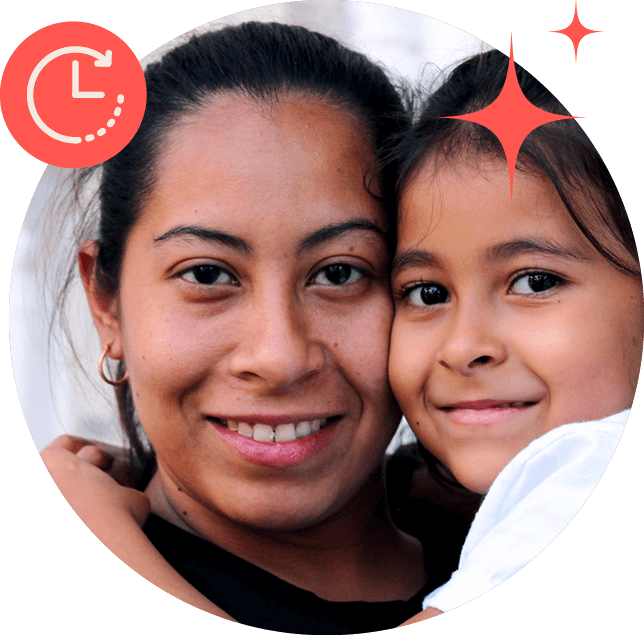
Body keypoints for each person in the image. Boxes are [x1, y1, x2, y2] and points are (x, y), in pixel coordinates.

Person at [40, 21, 465, 632]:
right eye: (208, 274)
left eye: (340, 272)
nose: (279, 356)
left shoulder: (513, 534)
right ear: (106, 303)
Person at [388, 49, 642, 621]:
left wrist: (135, 551)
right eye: (427, 293)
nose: (463, 346)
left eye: (534, 281)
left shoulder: (581, 467)